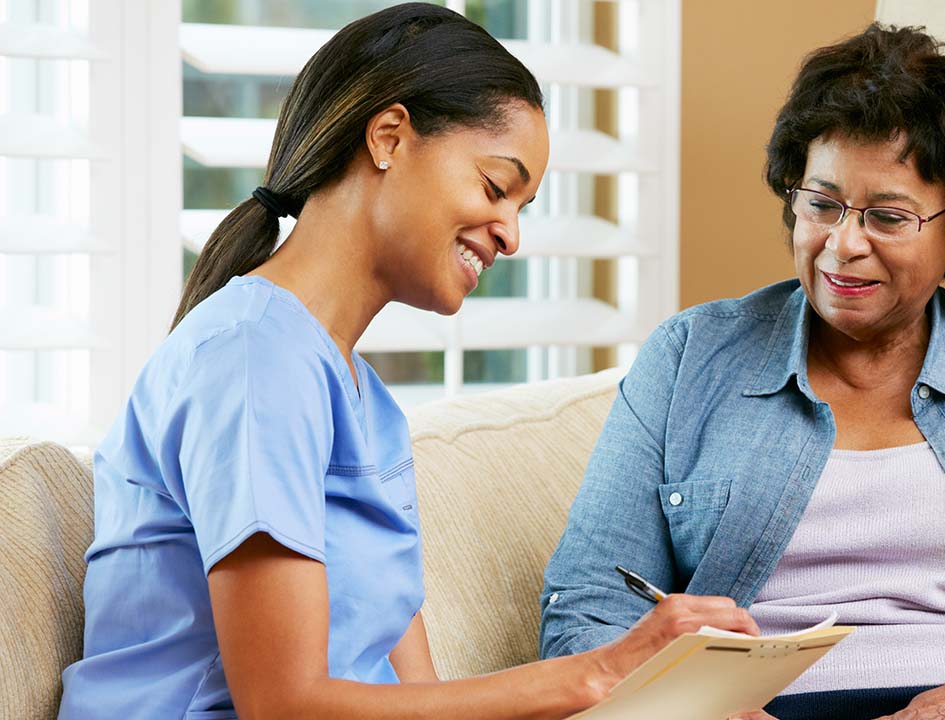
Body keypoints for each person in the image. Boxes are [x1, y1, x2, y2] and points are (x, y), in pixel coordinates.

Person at [57, 5, 761, 719]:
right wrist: (597, 673)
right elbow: (284, 704)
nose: (511, 235)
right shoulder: (252, 361)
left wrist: (652, 693)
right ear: (389, 137)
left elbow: (423, 705)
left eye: (523, 206)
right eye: (496, 187)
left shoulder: (369, 408)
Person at [540, 23, 945, 720]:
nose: (842, 245)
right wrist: (688, 705)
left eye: (888, 216)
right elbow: (583, 617)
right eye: (821, 204)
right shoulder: (689, 357)